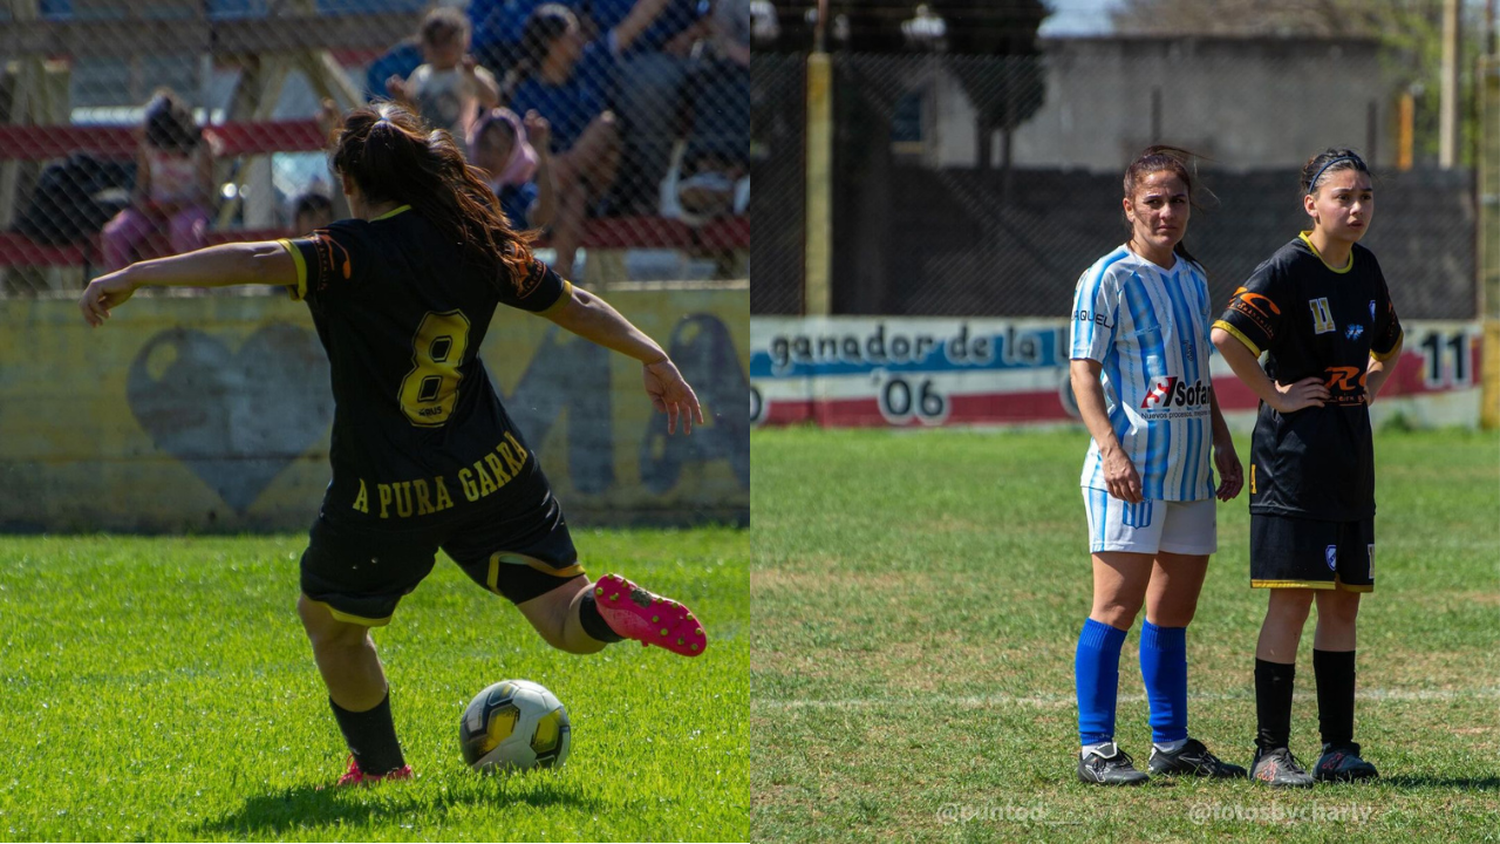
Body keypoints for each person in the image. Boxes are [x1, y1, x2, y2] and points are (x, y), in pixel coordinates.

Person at [78, 102, 708, 788]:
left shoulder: (344, 253)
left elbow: (255, 257)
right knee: (562, 616)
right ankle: (610, 611)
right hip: (493, 470)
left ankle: (380, 769)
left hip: (386, 490)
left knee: (329, 622)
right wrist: (654, 356)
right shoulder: (477, 241)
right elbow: (575, 302)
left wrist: (137, 274)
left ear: (350, 183)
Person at [1210, 148, 1402, 787]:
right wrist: (1276, 394)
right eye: (1343, 196)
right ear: (1310, 203)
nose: (1356, 208)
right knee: (1291, 604)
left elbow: (1390, 341)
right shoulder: (1288, 269)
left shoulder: (1366, 267)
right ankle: (1271, 752)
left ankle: (1338, 749)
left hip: (1349, 461)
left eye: (1366, 197)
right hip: (1291, 464)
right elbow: (1228, 336)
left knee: (1343, 605)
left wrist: (1372, 382)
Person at [1068, 146, 1244, 785]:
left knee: (1172, 614)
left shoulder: (1193, 278)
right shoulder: (1106, 278)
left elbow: (1196, 375)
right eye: (1153, 201)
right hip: (1131, 472)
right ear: (1129, 207)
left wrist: (1222, 443)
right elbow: (1083, 371)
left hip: (1191, 472)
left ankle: (1170, 743)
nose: (1166, 212)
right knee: (1114, 608)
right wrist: (1111, 450)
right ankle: (1096, 748)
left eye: (1177, 200)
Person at [500, 0, 671, 276]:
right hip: (548, 191)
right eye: (572, 34)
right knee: (574, 193)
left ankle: (558, 283)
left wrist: (565, 167)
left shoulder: (590, 65)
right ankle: (562, 280)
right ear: (552, 43)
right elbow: (525, 157)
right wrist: (553, 169)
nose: (581, 39)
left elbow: (630, 28)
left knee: (606, 124)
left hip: (593, 179)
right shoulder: (525, 92)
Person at [101, 89, 216, 271]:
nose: (165, 152)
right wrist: (144, 205)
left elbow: (206, 194)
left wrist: (179, 205)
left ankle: (194, 291)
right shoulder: (148, 146)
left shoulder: (200, 147)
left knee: (183, 230)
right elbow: (141, 188)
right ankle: (118, 288)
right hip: (154, 211)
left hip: (189, 208)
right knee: (113, 234)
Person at [387, 7, 501, 143]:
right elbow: (413, 111)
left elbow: (492, 100)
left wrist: (473, 76)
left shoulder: (466, 73)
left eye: (447, 41)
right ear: (424, 45)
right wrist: (401, 96)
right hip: (427, 144)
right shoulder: (420, 75)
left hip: (460, 146)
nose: (441, 48)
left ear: (463, 42)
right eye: (434, 42)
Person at [468, 107, 557, 229]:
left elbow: (542, 219)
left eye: (500, 150)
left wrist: (541, 153)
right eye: (486, 145)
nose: (491, 156)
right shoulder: (465, 186)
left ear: (512, 153)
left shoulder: (519, 192)